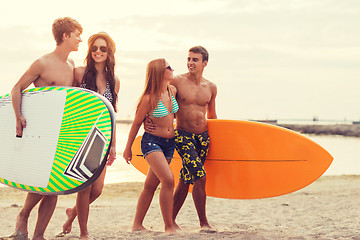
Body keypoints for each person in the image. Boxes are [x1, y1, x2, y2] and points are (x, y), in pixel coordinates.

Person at [9, 17, 82, 240]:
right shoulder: (42, 63)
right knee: (44, 181)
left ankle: (39, 235)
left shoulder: (71, 65)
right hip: (41, 132)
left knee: (57, 186)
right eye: (77, 34)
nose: (81, 39)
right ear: (65, 36)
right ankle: (23, 215)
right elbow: (17, 88)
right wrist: (18, 116)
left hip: (62, 131)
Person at [144, 46, 217, 230]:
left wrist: (218, 139)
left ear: (204, 63)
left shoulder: (211, 87)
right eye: (189, 59)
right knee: (200, 176)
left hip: (203, 138)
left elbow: (213, 116)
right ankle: (204, 223)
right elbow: (156, 96)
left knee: (186, 178)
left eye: (195, 60)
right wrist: (148, 119)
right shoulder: (177, 81)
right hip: (183, 136)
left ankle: (171, 220)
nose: (190, 63)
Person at [61, 32, 120, 240]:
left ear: (109, 52)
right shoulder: (79, 73)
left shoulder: (114, 81)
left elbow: (112, 114)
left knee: (97, 190)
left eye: (103, 48)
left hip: (102, 139)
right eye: (94, 48)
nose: (98, 52)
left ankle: (71, 215)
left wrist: (114, 145)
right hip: (81, 137)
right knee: (85, 188)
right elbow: (67, 103)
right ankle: (84, 233)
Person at [123, 58, 178, 234]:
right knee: (168, 180)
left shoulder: (173, 90)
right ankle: (169, 225)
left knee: (150, 185)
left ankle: (137, 225)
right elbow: (136, 124)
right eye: (168, 67)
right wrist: (128, 149)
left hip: (170, 143)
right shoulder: (148, 98)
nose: (172, 69)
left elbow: (172, 116)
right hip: (151, 142)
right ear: (159, 72)